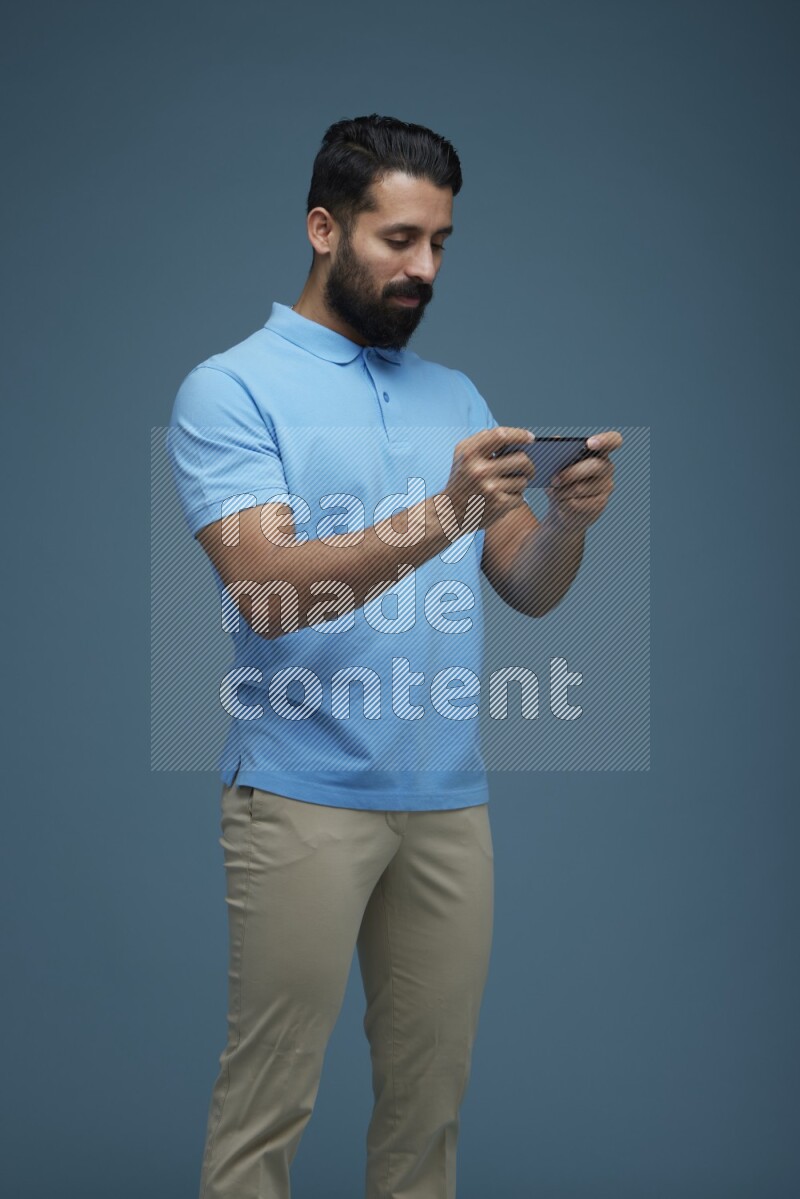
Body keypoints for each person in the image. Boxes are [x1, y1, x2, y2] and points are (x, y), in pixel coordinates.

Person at [167, 113, 621, 1199]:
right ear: (324, 228)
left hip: (446, 803)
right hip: (298, 795)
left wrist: (563, 524)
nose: (423, 269)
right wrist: (442, 509)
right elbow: (269, 592)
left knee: (428, 1113)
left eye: (440, 245)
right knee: (264, 1110)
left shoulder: (454, 397)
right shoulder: (229, 389)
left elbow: (522, 586)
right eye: (398, 240)